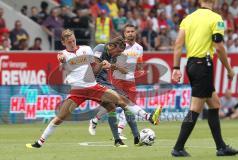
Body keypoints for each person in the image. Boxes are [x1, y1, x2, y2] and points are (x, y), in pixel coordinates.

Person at [26, 29, 160, 148]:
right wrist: (61, 58)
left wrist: (102, 64)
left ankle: (148, 117)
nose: (72, 43)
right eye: (69, 42)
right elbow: (60, 57)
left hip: (93, 87)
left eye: (73, 40)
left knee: (121, 100)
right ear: (63, 43)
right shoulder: (63, 54)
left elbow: (94, 70)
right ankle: (39, 143)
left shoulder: (86, 49)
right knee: (59, 118)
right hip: (77, 91)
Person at [171, 0, 238, 157]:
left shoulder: (188, 18)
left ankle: (221, 147)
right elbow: (219, 46)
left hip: (191, 64)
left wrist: (176, 68)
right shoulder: (216, 19)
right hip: (203, 65)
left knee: (215, 104)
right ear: (214, 1)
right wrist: (229, 69)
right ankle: (178, 147)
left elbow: (177, 44)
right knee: (195, 108)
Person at [89, 24, 145, 141]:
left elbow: (137, 65)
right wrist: (105, 65)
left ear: (135, 33)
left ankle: (127, 135)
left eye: (132, 31)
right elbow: (95, 70)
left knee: (123, 105)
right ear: (124, 34)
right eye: (128, 31)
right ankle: (143, 121)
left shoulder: (139, 48)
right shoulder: (113, 47)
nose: (130, 33)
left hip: (129, 79)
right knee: (120, 103)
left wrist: (139, 70)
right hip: (116, 79)